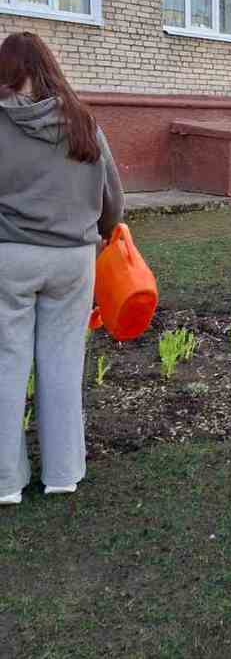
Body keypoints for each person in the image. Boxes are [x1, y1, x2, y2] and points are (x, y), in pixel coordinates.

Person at [0, 32, 124, 505]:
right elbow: (113, 197)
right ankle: (63, 473)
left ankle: (6, 482)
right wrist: (103, 231)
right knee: (63, 365)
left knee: (6, 366)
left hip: (9, 256)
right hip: (73, 259)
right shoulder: (83, 121)